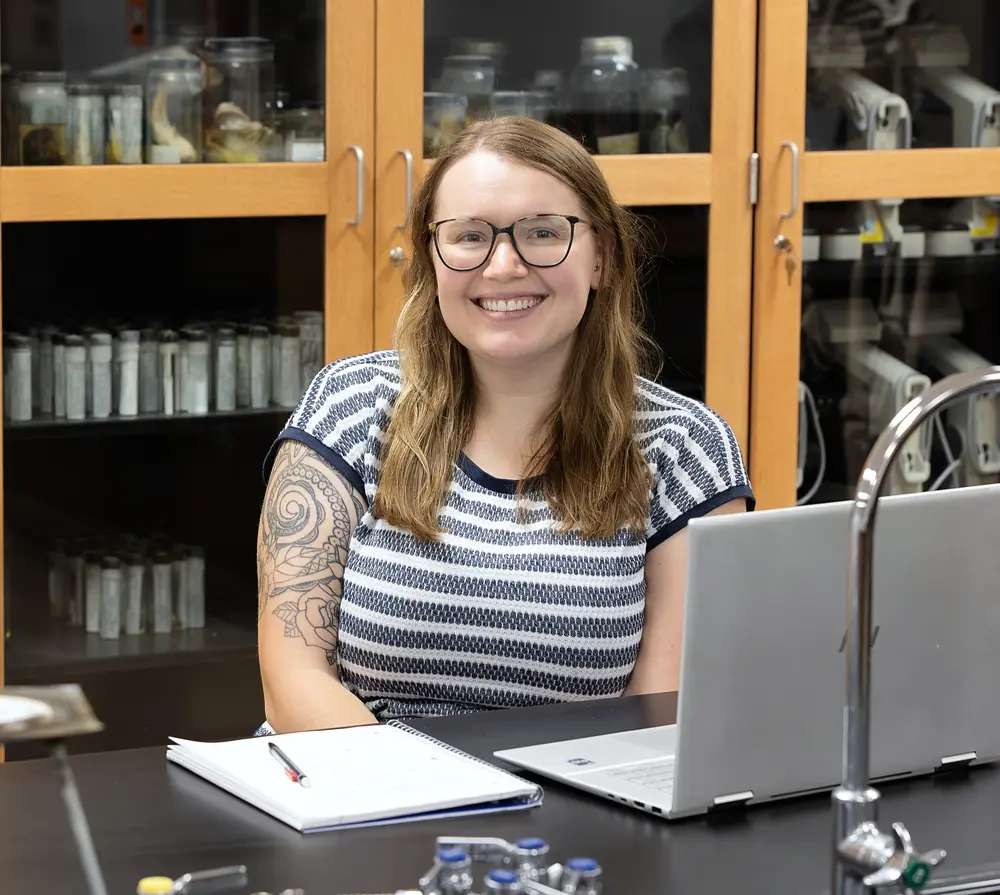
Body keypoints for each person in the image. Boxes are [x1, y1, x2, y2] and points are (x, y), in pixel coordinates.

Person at [256, 116, 754, 735]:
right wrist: (426, 800)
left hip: (578, 810)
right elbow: (292, 681)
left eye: (543, 233)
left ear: (601, 257)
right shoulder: (350, 406)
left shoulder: (686, 451)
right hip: (357, 793)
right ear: (431, 259)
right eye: (469, 237)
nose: (503, 266)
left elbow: (660, 720)